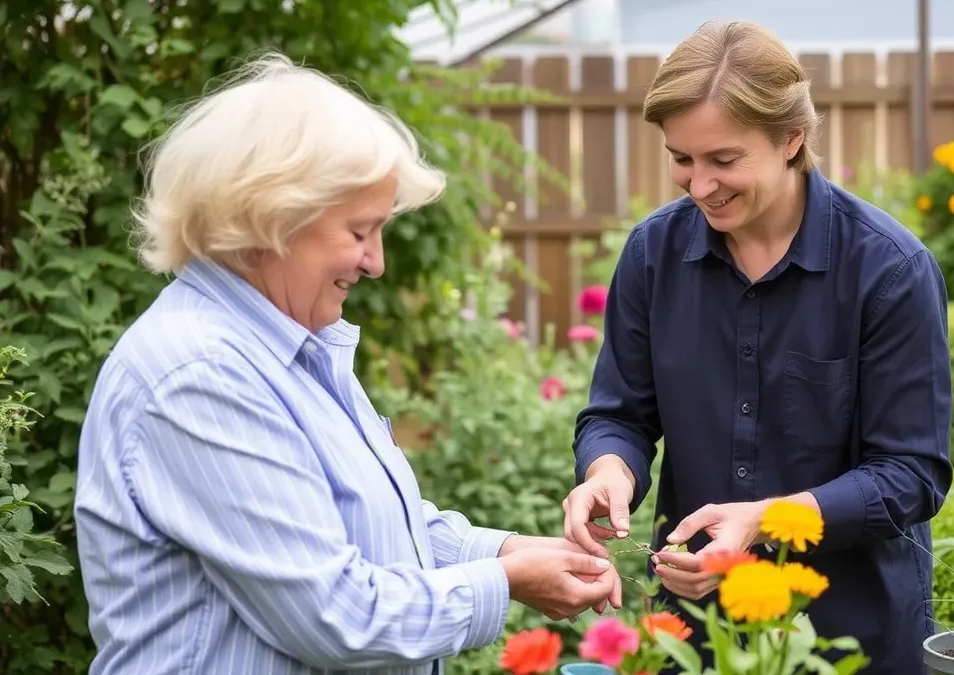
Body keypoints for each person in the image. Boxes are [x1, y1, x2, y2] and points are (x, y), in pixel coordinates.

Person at [74, 54, 621, 675]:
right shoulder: (200, 373)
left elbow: (378, 526)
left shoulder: (292, 346)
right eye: (360, 231)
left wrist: (508, 550)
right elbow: (336, 616)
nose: (376, 262)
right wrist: (503, 580)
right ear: (269, 220)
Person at [562, 21, 953, 675]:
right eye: (682, 158)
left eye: (724, 160)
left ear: (791, 139)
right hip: (698, 634)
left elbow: (912, 474)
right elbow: (621, 415)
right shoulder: (653, 256)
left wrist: (766, 520)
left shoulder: (888, 272)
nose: (699, 184)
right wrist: (609, 472)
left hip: (851, 639)